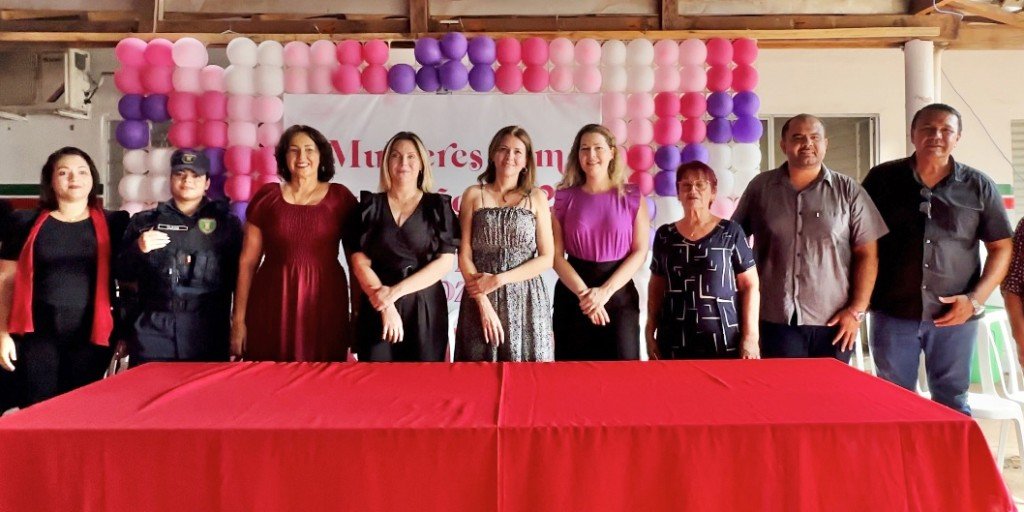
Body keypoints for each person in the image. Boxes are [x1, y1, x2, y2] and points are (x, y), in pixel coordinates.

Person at [863, 103, 1012, 415]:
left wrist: (975, 300)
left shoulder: (978, 186)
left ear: (958, 138)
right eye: (928, 129)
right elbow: (860, 242)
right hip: (892, 312)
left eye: (946, 130)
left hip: (955, 315)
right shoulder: (882, 179)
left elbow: (1002, 247)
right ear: (913, 134)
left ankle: (950, 451)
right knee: (892, 402)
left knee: (952, 400)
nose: (937, 136)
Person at [732, 114, 888, 362]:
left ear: (825, 144)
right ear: (783, 145)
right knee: (781, 386)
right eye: (798, 137)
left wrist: (856, 311)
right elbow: (733, 242)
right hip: (774, 319)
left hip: (835, 322)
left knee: (830, 388)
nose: (807, 143)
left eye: (814, 137)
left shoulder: (849, 191)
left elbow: (868, 254)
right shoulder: (761, 188)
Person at [0, 147, 128, 406]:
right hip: (37, 334)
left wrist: (127, 332)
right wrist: (2, 334)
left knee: (78, 407)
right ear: (50, 180)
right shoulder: (23, 222)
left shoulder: (115, 223)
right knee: (38, 406)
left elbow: (128, 280)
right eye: (63, 172)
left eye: (82, 172)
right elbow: (5, 279)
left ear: (92, 178)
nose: (74, 178)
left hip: (91, 335)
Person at [230, 125, 358, 362]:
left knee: (324, 375)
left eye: (309, 150)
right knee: (268, 374)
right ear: (284, 157)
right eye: (294, 150)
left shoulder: (341, 198)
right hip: (272, 299)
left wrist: (357, 315)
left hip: (325, 300)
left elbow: (356, 264)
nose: (302, 157)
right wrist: (238, 321)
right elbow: (247, 263)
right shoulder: (267, 197)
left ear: (321, 156)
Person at [118, 149, 242, 365]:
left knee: (205, 387)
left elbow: (240, 280)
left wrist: (239, 326)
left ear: (206, 183)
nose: (187, 181)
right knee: (151, 385)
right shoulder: (144, 222)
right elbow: (121, 274)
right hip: (153, 330)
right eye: (180, 174)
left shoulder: (227, 225)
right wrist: (138, 248)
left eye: (195, 176)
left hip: (207, 330)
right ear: (170, 179)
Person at [350, 132, 459, 362]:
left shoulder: (438, 207)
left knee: (423, 380)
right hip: (377, 306)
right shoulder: (369, 207)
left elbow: (444, 263)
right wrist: (385, 305)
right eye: (396, 156)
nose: (403, 163)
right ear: (387, 163)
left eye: (411, 156)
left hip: (425, 309)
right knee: (376, 379)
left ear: (421, 164)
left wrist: (394, 293)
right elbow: (360, 263)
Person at [455, 126, 554, 362]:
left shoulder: (537, 197)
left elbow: (547, 258)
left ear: (526, 161)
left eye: (517, 152)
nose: (510, 157)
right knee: (478, 372)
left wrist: (499, 279)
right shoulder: (472, 194)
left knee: (528, 373)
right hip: (480, 298)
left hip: (527, 300)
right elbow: (464, 255)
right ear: (492, 154)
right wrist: (482, 300)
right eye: (503, 149)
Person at [552, 124, 648, 360]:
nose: (591, 155)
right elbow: (555, 256)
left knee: (622, 372)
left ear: (612, 152)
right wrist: (585, 296)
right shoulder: (564, 197)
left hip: (619, 295)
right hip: (574, 296)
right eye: (584, 149)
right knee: (572, 374)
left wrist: (605, 292)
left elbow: (640, 251)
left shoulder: (632, 196)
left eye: (598, 148)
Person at [647, 161, 759, 360]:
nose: (693, 190)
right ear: (678, 193)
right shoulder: (665, 235)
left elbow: (749, 286)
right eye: (686, 185)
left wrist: (751, 337)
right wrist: (649, 330)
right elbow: (657, 287)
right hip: (674, 337)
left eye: (700, 184)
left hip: (723, 337)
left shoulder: (730, 232)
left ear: (713, 192)